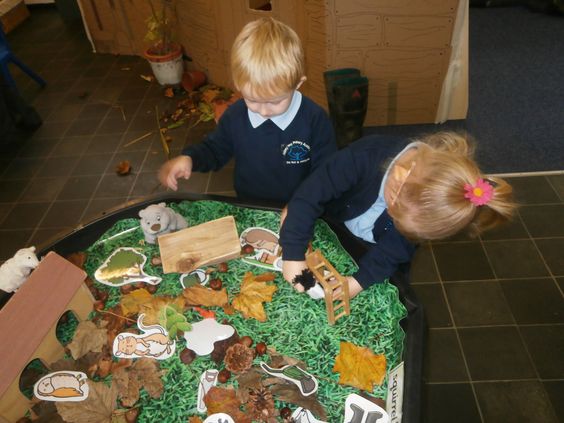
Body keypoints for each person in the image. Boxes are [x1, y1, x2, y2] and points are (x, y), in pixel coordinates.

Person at [279, 132, 516, 298]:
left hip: (372, 248)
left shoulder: (421, 203)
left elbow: (395, 249)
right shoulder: (363, 157)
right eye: (395, 214)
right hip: (335, 224)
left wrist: (359, 281)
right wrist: (293, 254)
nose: (395, 221)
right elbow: (309, 196)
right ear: (401, 175)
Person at [158, 17, 337, 203]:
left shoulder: (315, 119)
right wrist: (190, 159)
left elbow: (326, 172)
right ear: (238, 86)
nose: (264, 111)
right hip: (250, 204)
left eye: (275, 102)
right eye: (252, 100)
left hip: (301, 207)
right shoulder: (235, 116)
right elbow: (215, 149)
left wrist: (305, 205)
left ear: (298, 84)